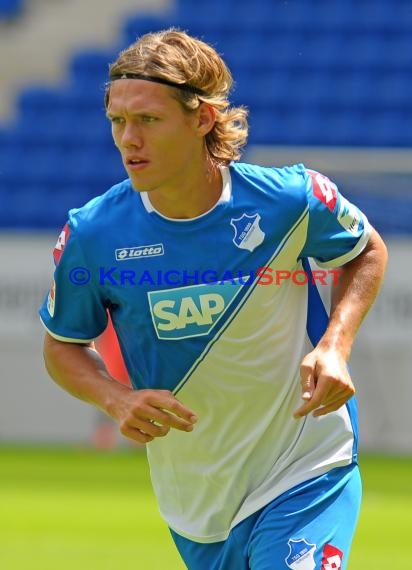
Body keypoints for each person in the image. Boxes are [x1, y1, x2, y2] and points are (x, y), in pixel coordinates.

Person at [39, 28, 387, 570]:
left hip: (307, 465)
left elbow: (366, 250)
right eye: (118, 121)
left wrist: (336, 345)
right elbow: (62, 346)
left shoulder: (289, 200)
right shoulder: (93, 233)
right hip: (197, 499)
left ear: (202, 118)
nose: (129, 139)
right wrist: (116, 398)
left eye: (148, 120)